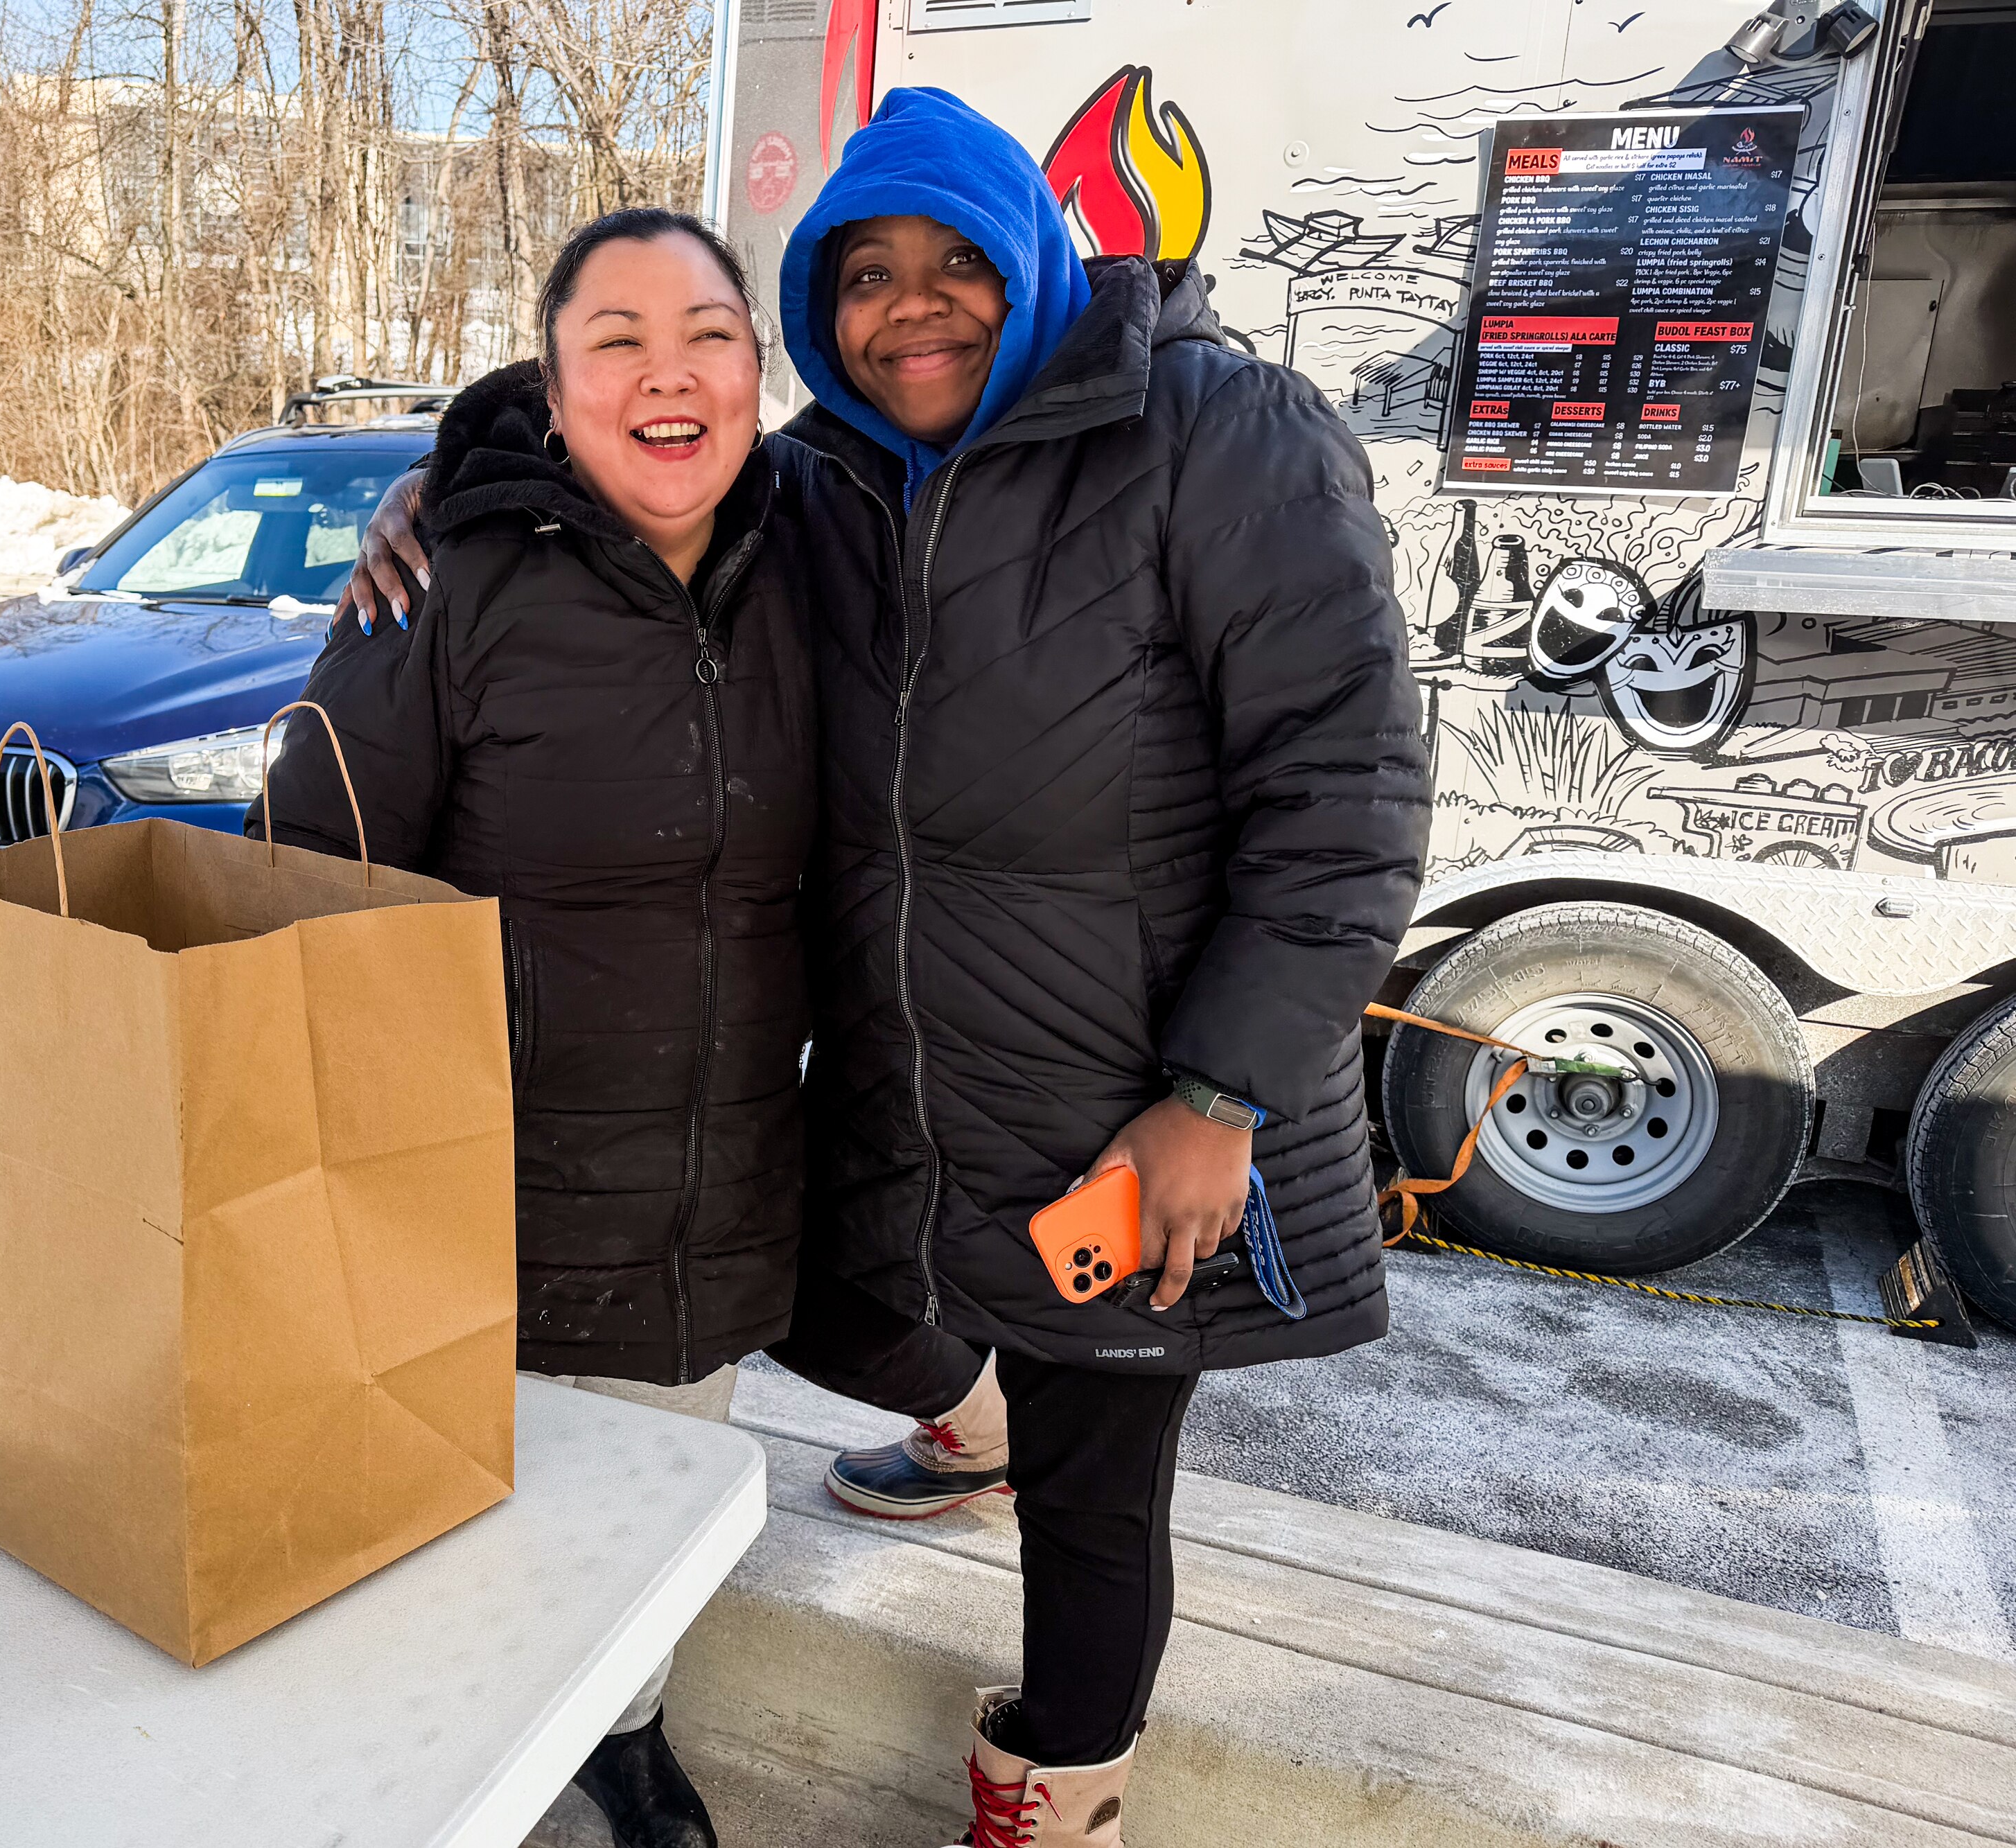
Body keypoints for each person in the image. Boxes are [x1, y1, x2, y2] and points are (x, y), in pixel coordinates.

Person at [343, 89, 1430, 1848]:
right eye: (862, 275)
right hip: (910, 1072)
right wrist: (449, 480)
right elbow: (633, 447)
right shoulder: (830, 478)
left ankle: (1056, 1802)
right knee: (828, 1298)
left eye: (950, 264)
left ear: (1030, 258)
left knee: (1097, 1495)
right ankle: (967, 1422)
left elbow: (1343, 792)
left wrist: (1217, 1094)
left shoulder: (1219, 435)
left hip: (1130, 1089)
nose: (907, 307)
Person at [256, 208, 829, 1848]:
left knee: (643, 1532)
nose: (669, 373)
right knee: (441, 1559)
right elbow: (311, 887)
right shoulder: (442, 577)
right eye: (617, 339)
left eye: (708, 331)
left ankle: (624, 1734)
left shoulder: (819, 556)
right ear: (551, 376)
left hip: (710, 1184)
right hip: (471, 1198)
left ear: (753, 362)